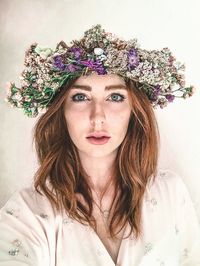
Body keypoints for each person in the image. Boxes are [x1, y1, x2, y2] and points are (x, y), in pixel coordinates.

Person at [0, 24, 199, 266]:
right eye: (81, 97)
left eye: (115, 97)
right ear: (61, 111)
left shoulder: (171, 194)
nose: (98, 117)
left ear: (133, 111)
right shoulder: (28, 213)